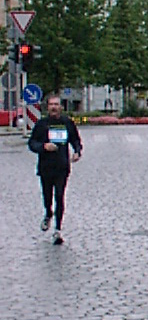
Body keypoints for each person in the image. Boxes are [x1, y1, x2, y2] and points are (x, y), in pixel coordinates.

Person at [28, 93, 82, 245]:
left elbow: (75, 139)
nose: (54, 107)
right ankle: (48, 212)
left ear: (61, 107)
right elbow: (32, 143)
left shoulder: (67, 123)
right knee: (47, 196)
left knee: (60, 196)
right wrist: (44, 146)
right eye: (51, 105)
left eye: (56, 104)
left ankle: (58, 230)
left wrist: (77, 151)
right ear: (48, 107)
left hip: (62, 166)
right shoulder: (42, 124)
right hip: (46, 167)